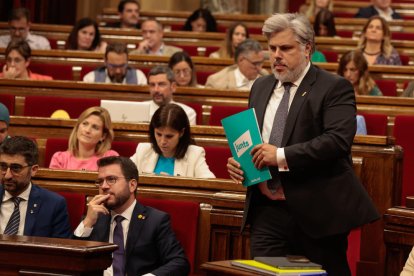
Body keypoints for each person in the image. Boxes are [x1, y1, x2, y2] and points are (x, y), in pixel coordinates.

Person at [226, 13, 379, 275]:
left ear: (307, 48)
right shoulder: (261, 86)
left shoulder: (334, 87)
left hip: (317, 210)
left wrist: (281, 155)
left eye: (285, 48)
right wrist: (241, 164)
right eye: (272, 48)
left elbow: (336, 142)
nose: (276, 55)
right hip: (267, 211)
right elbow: (254, 142)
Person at [73, 156, 190, 275]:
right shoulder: (94, 218)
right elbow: (71, 261)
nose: (104, 186)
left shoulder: (155, 220)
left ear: (132, 185)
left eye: (111, 179)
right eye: (100, 181)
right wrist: (87, 222)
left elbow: (179, 262)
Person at [0, 136, 71, 237]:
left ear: (33, 170)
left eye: (16, 168)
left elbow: (62, 248)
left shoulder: (54, 204)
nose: (7, 176)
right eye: (3, 166)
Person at [131, 103, 215, 178]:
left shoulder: (194, 154)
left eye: (169, 136)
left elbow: (210, 184)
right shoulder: (143, 150)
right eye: (158, 134)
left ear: (181, 132)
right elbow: (123, 174)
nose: (162, 141)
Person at [49, 106, 119, 171]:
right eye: (85, 124)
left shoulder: (110, 158)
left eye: (95, 127)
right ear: (77, 127)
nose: (87, 130)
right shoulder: (60, 159)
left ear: (103, 136)